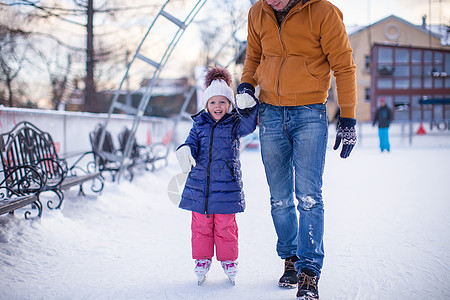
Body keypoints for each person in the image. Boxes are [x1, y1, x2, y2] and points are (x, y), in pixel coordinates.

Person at [237, 0, 357, 299]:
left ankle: (309, 271)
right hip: (271, 113)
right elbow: (253, 56)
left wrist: (349, 116)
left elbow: (344, 65)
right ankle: (290, 258)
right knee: (279, 198)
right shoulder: (257, 13)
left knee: (308, 196)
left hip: (309, 112)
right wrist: (246, 84)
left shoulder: (323, 12)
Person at [175, 66, 259, 286]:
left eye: (222, 102)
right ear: (206, 105)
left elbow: (250, 125)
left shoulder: (234, 124)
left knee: (225, 225)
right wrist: (186, 149)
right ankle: (202, 259)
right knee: (201, 225)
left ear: (230, 105)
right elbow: (191, 142)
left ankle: (229, 260)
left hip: (227, 186)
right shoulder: (199, 124)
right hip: (199, 186)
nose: (218, 106)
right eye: (213, 102)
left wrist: (250, 109)